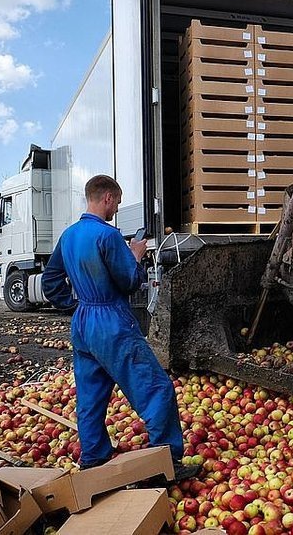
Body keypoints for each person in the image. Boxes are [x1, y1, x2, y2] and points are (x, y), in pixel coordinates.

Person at [41, 175, 199, 481]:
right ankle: (164, 464)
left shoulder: (69, 235)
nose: (117, 208)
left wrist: (76, 305)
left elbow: (51, 281)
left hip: (84, 322)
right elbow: (129, 282)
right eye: (118, 201)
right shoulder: (108, 236)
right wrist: (135, 256)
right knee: (156, 388)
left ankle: (93, 462)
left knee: (90, 395)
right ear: (108, 198)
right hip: (111, 321)